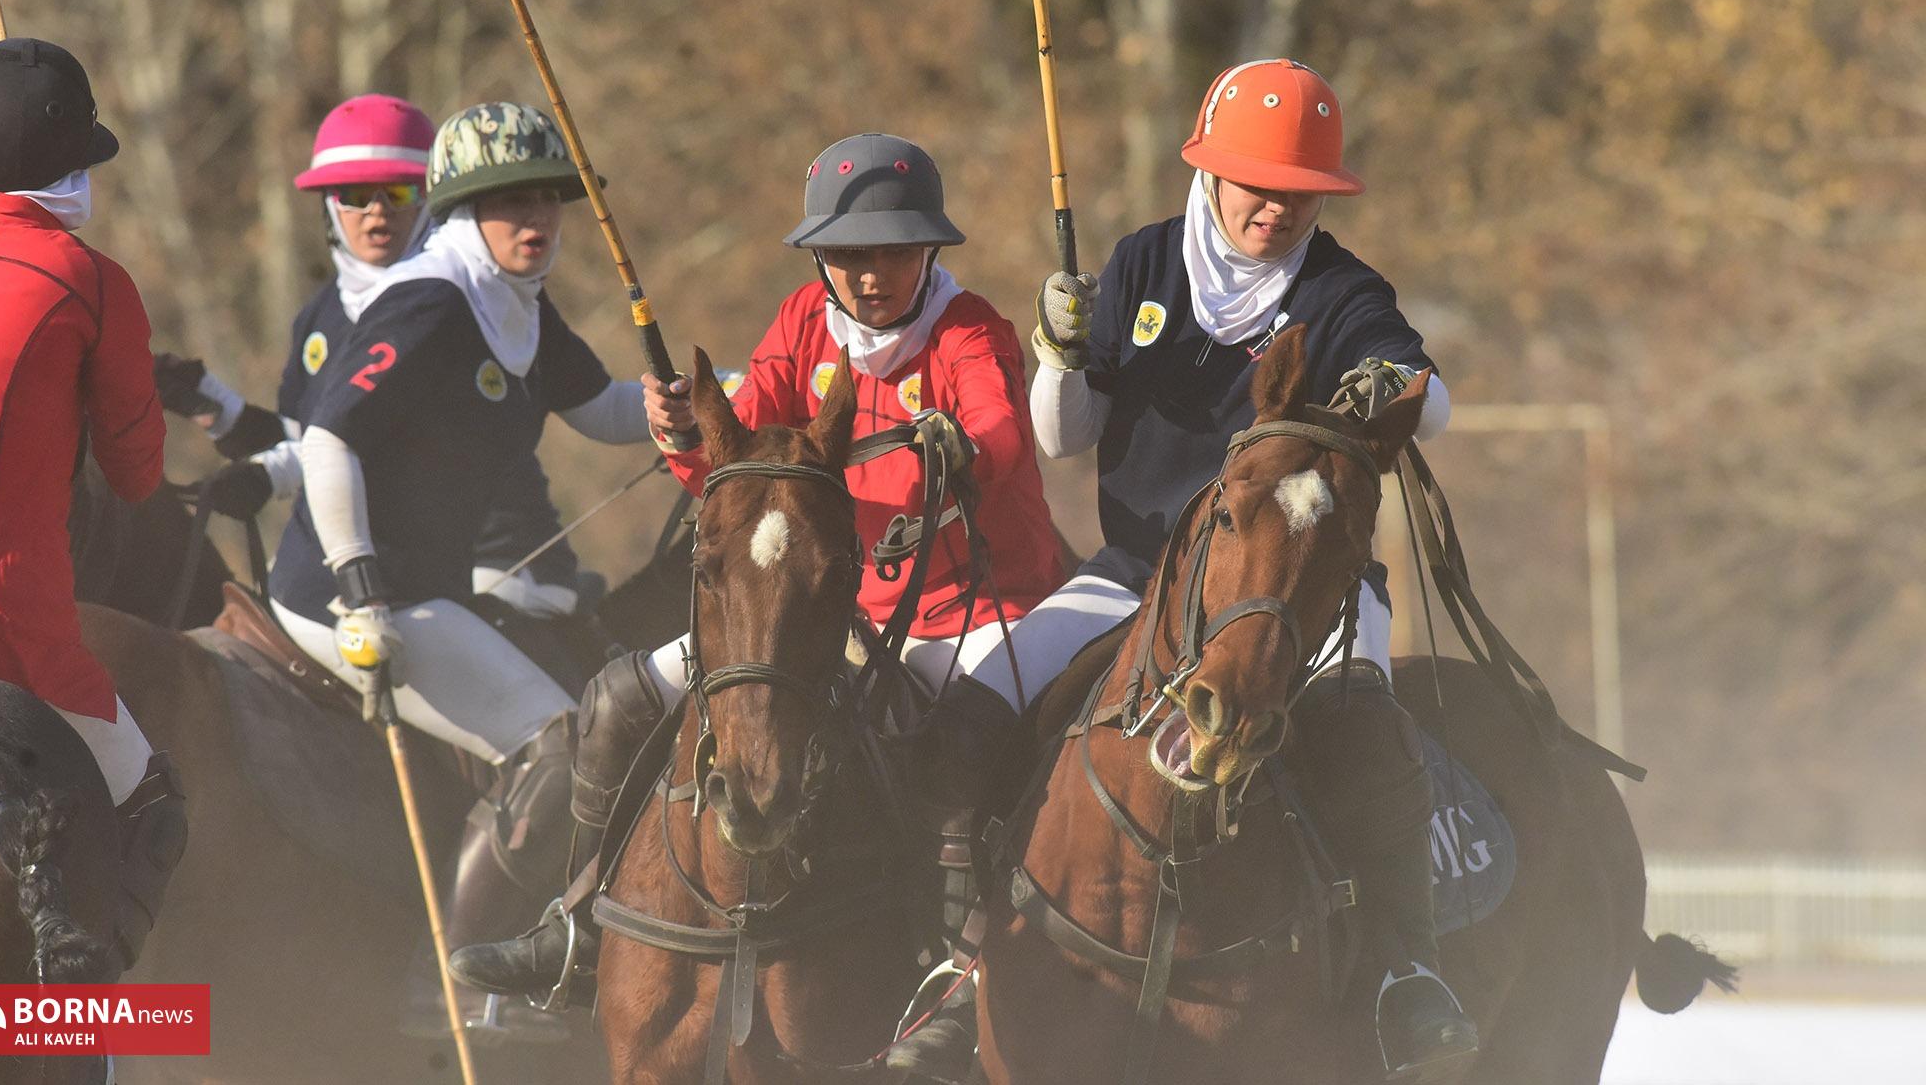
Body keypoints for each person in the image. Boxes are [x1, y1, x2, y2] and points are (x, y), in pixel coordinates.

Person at [448, 134, 1068, 1055]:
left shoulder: (970, 328)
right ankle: (576, 925)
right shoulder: (801, 323)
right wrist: (678, 432)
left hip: (967, 609)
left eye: (892, 252)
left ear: (927, 253)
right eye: (850, 256)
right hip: (818, 605)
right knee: (620, 698)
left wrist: (954, 450)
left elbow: (1002, 439)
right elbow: (731, 461)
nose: (871, 276)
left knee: (959, 751)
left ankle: (957, 977)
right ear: (823, 258)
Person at [1026, 59, 1475, 1078]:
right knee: (989, 698)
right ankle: (961, 958)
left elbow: (1428, 403)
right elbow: (1061, 439)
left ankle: (1407, 972)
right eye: (1254, 185)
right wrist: (1055, 357)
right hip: (1139, 573)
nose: (1273, 208)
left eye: (1296, 193)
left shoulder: (1342, 291)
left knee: (1357, 724)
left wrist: (1389, 378)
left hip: (1297, 592)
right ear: (1210, 176)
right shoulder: (1142, 264)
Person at [265, 101, 652, 1031]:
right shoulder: (434, 299)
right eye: (506, 203)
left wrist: (731, 394)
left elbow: (601, 410)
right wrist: (358, 583)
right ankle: (448, 984)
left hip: (428, 589)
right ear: (463, 213)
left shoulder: (516, 300)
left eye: (548, 201)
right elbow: (326, 438)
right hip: (350, 594)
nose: (534, 222)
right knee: (565, 744)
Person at [0, 39, 188, 967]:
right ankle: (89, 1032)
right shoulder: (93, 282)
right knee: (153, 805)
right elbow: (138, 476)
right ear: (76, 167)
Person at [152, 95, 585, 618]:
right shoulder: (320, 319)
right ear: (331, 205)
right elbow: (317, 443)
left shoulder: (472, 295)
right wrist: (218, 410)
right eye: (357, 194)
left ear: (434, 199)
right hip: (389, 571)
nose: (378, 210)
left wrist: (269, 474)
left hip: (503, 559)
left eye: (400, 191)